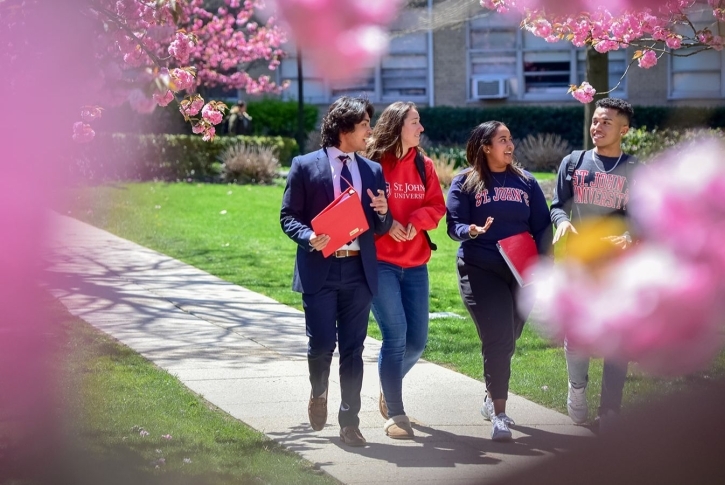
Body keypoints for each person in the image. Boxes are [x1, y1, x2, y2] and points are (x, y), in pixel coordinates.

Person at [280, 96, 392, 447]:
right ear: (344, 129)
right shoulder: (304, 165)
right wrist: (308, 236)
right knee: (321, 345)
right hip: (320, 270)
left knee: (353, 349)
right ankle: (318, 391)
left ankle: (350, 420)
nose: (369, 132)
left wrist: (383, 211)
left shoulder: (372, 170)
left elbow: (381, 226)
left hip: (359, 271)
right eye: (364, 126)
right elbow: (288, 217)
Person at [446, 121, 552, 442]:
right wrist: (472, 231)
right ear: (485, 147)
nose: (510, 146)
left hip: (521, 273)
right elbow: (454, 225)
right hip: (481, 269)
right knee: (499, 336)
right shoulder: (465, 182)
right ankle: (500, 413)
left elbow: (543, 228)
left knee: (510, 337)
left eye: (510, 140)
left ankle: (490, 396)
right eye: (502, 140)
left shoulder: (526, 182)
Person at [550, 97, 638, 431]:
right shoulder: (573, 162)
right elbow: (558, 205)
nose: (597, 127)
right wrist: (560, 221)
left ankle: (610, 410)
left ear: (623, 130)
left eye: (606, 123)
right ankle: (577, 388)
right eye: (596, 121)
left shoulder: (634, 170)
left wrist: (631, 236)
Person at [363, 102, 446, 439]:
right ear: (398, 125)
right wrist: (387, 224)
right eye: (415, 122)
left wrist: (414, 222)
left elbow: (436, 206)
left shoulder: (423, 165)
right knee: (395, 337)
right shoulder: (373, 162)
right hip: (380, 263)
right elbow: (359, 207)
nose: (421, 128)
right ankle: (396, 414)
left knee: (417, 342)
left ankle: (388, 385)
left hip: (415, 265)